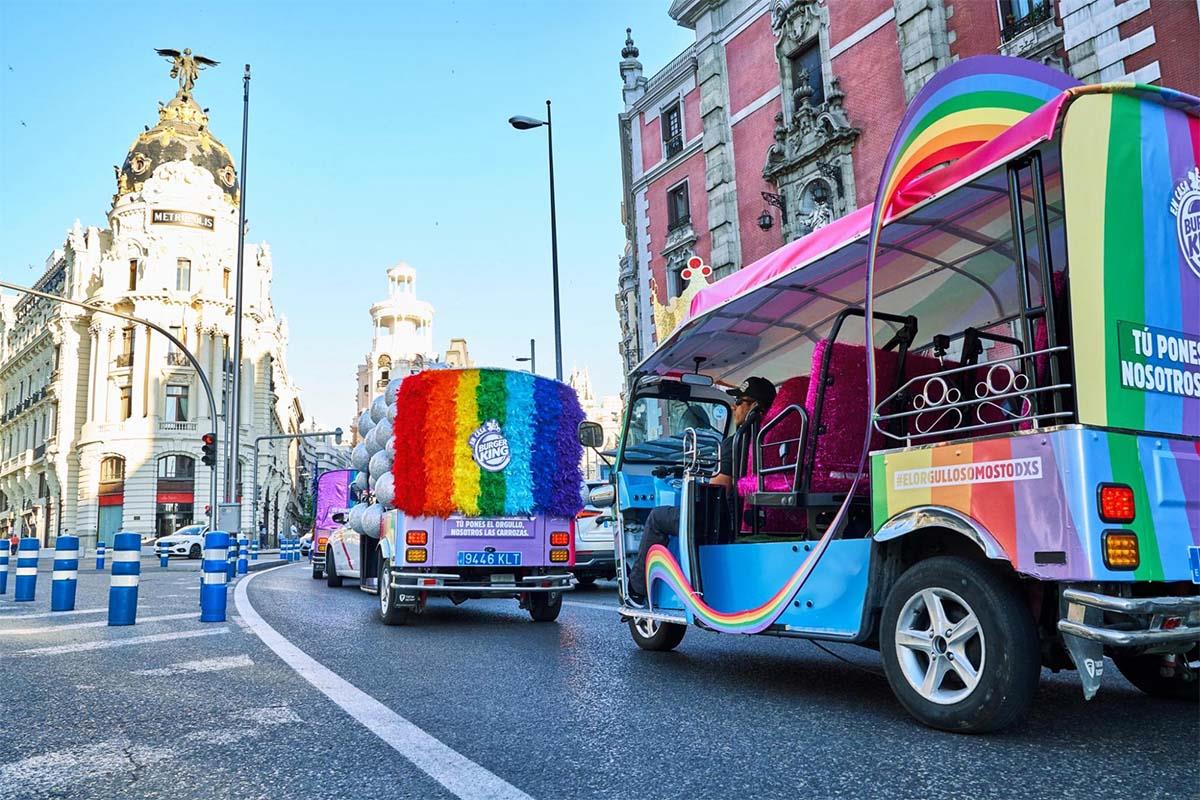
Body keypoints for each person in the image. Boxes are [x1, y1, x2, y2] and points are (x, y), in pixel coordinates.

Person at [626, 377, 777, 605]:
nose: (734, 407)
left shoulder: (737, 443)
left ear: (755, 407)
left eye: (739, 402)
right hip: (757, 517)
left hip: (724, 522)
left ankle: (636, 590)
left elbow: (717, 492)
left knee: (658, 517)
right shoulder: (773, 439)